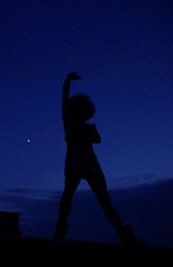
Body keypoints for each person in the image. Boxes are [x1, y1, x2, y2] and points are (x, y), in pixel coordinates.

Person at [54, 72, 142, 245]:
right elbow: (64, 101)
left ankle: (124, 235)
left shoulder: (86, 126)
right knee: (69, 197)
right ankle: (59, 232)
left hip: (90, 166)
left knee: (104, 201)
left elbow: (98, 140)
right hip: (76, 164)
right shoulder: (69, 121)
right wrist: (66, 82)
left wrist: (91, 132)